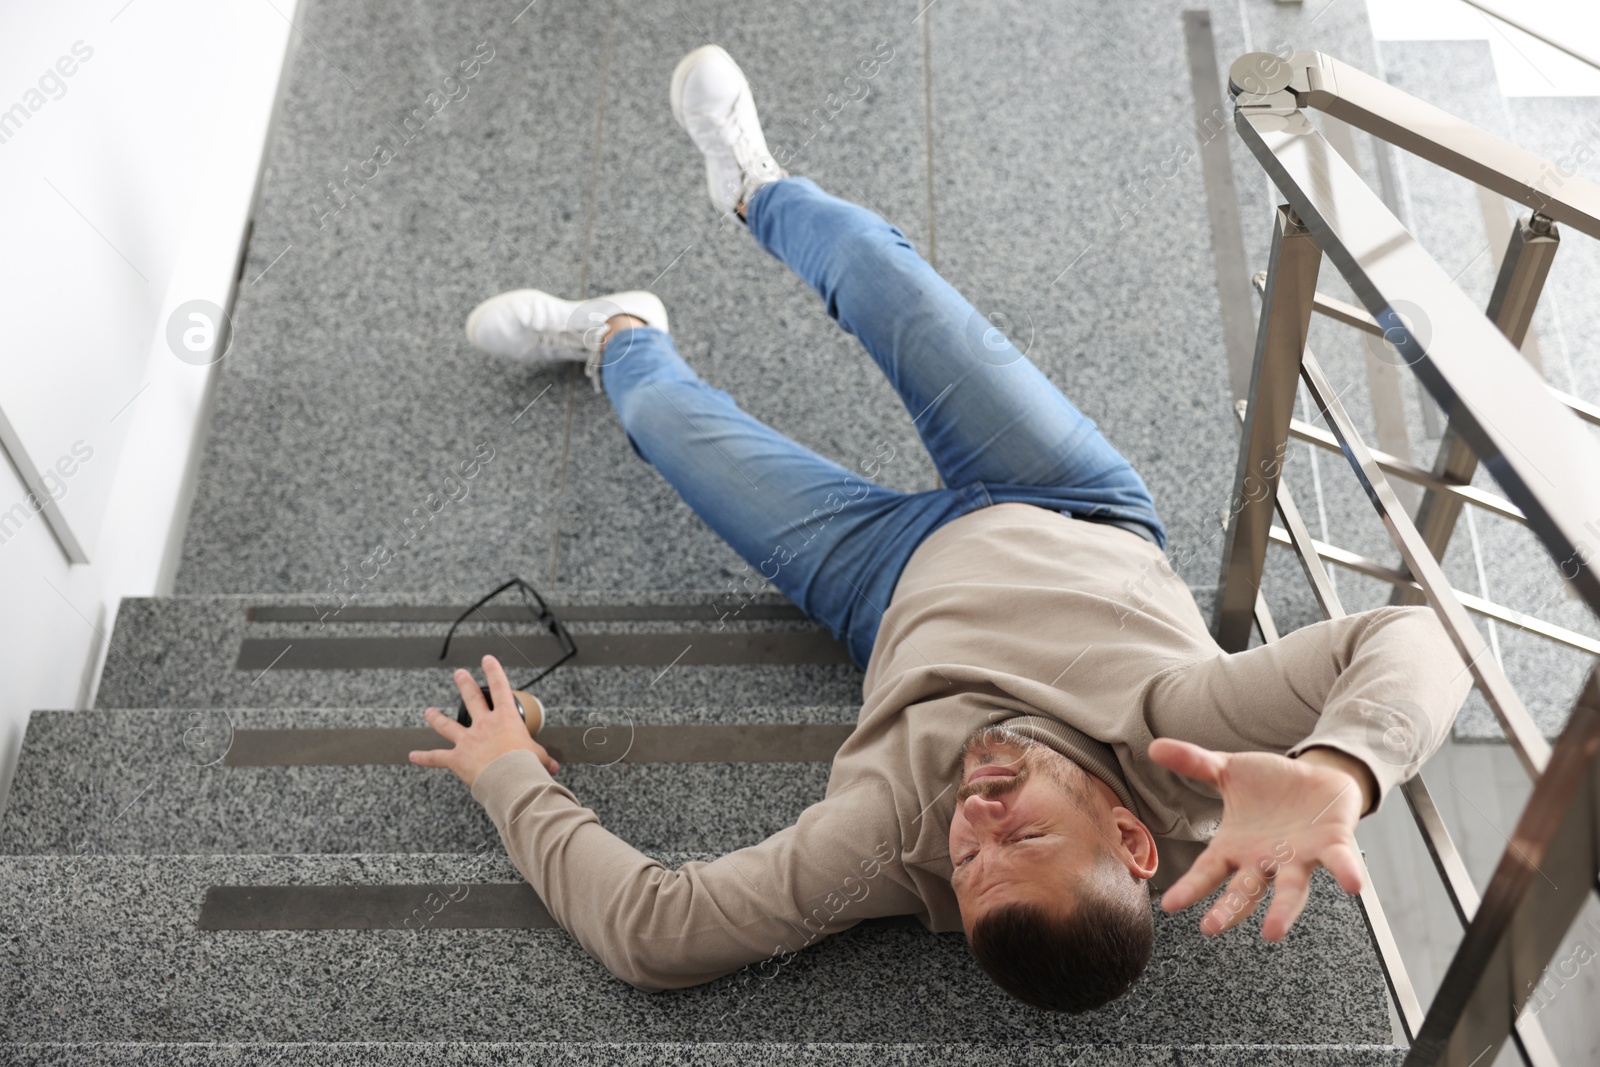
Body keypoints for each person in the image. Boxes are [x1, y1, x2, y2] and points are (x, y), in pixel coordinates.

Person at [410, 44, 1470, 1013]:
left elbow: (652, 933)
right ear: (1134, 836)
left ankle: (615, 329)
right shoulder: (1185, 743)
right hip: (1071, 498)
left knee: (657, 416)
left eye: (971, 861)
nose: (979, 816)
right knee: (883, 280)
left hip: (883, 585)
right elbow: (1415, 640)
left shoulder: (886, 841)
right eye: (1026, 833)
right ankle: (754, 189)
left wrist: (502, 768)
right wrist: (1342, 768)